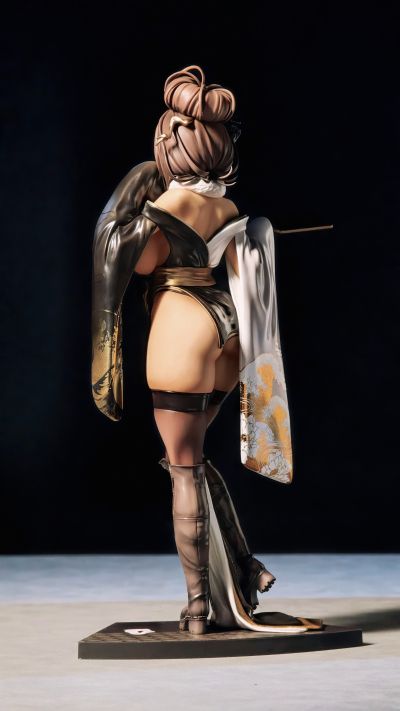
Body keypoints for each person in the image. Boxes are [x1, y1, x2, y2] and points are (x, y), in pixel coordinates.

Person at [91, 65, 323, 636]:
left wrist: (130, 206)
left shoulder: (162, 208)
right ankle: (243, 565)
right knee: (189, 460)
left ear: (170, 146)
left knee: (183, 467)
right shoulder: (225, 207)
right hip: (228, 328)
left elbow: (139, 264)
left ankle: (199, 608)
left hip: (183, 324)